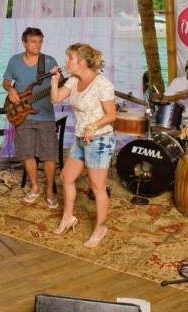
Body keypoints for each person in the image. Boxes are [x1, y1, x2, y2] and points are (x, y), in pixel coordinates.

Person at [50, 43, 117, 248]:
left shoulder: (102, 84)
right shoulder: (73, 79)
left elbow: (112, 115)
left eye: (70, 58)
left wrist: (93, 126)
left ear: (82, 61)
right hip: (80, 138)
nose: (66, 61)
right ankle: (68, 217)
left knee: (97, 187)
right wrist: (54, 81)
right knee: (66, 177)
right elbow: (56, 98)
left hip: (99, 139)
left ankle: (101, 227)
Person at [3, 27, 59, 208]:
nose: (38, 45)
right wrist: (10, 89)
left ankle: (50, 190)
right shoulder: (14, 61)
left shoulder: (49, 61)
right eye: (34, 42)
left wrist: (62, 81)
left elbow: (59, 86)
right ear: (24, 43)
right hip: (22, 115)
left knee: (50, 155)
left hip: (45, 116)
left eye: (40, 41)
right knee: (27, 153)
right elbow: (5, 80)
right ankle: (35, 187)